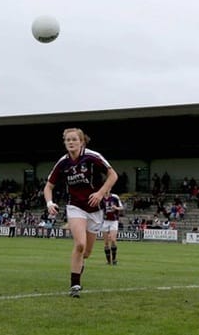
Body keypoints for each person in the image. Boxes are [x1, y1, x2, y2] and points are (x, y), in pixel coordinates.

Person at [43, 128, 118, 298]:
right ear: (64, 143)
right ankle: (75, 285)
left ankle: (79, 265)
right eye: (67, 140)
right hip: (75, 207)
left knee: (87, 253)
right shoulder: (63, 162)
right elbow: (48, 186)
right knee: (80, 245)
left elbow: (113, 175)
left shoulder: (92, 156)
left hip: (95, 210)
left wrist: (100, 193)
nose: (70, 142)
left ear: (81, 141)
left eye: (74, 139)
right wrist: (49, 202)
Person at [101, 192, 123, 265]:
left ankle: (114, 259)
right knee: (106, 243)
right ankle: (108, 261)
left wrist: (116, 208)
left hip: (114, 221)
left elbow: (121, 207)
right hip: (105, 221)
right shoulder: (101, 197)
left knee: (113, 240)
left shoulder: (115, 197)